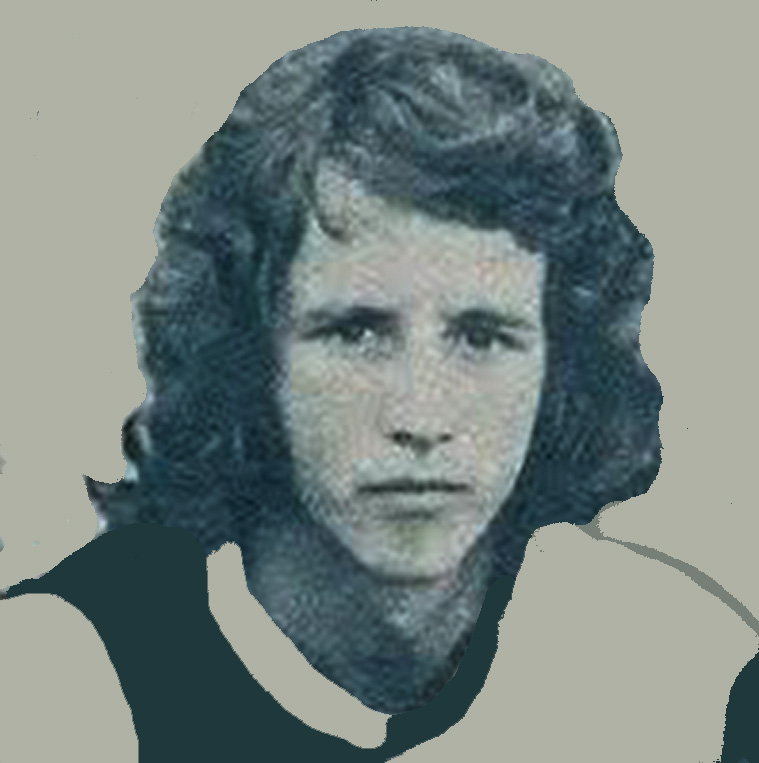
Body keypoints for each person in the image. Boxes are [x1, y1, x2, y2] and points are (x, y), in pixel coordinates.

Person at [86, 26, 661, 715]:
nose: (421, 417)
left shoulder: (690, 682)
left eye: (482, 337)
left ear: (558, 365)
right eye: (354, 332)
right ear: (249, 355)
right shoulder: (65, 674)